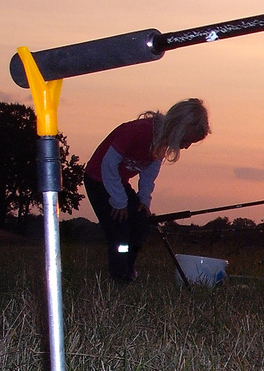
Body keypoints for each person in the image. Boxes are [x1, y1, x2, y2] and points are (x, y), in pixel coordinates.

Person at [85, 99, 209, 282]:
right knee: (119, 231)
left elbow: (149, 174)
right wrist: (119, 202)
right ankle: (119, 277)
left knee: (141, 225)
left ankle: (128, 269)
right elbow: (108, 164)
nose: (186, 146)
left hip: (119, 182)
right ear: (178, 128)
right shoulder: (139, 131)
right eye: (186, 140)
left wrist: (144, 201)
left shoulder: (161, 143)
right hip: (99, 179)